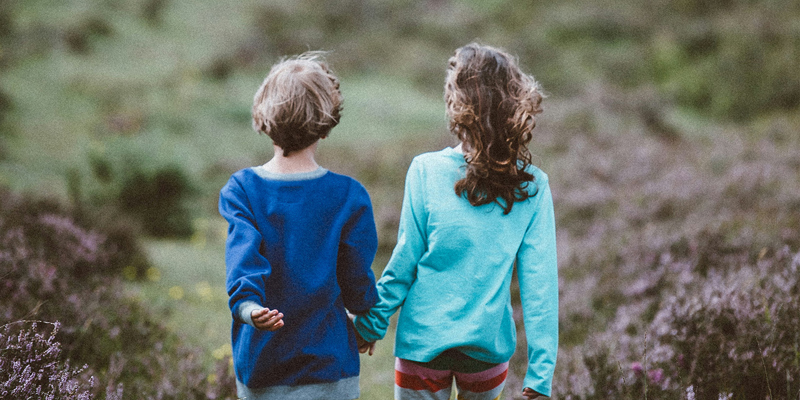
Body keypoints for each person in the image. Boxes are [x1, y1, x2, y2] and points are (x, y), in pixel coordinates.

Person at [354, 43, 558, 399]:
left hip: (422, 346)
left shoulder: (425, 170)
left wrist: (372, 323)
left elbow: (405, 261)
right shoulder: (533, 186)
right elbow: (539, 286)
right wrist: (540, 376)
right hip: (487, 353)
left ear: (456, 105)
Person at [219, 52, 379, 400]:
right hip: (331, 366)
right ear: (327, 119)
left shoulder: (242, 190)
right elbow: (357, 279)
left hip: (263, 366)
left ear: (264, 113)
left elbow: (241, 262)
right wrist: (367, 322)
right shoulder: (349, 195)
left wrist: (249, 309)